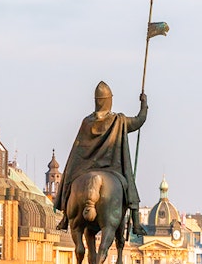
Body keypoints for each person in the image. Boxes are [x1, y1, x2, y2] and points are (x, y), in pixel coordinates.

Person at [53, 82, 148, 236]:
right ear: (109, 100)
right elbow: (140, 120)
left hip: (86, 167)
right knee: (130, 187)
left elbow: (77, 150)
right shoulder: (119, 121)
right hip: (112, 168)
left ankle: (65, 216)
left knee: (69, 178)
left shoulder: (87, 122)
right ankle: (136, 224)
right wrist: (144, 103)